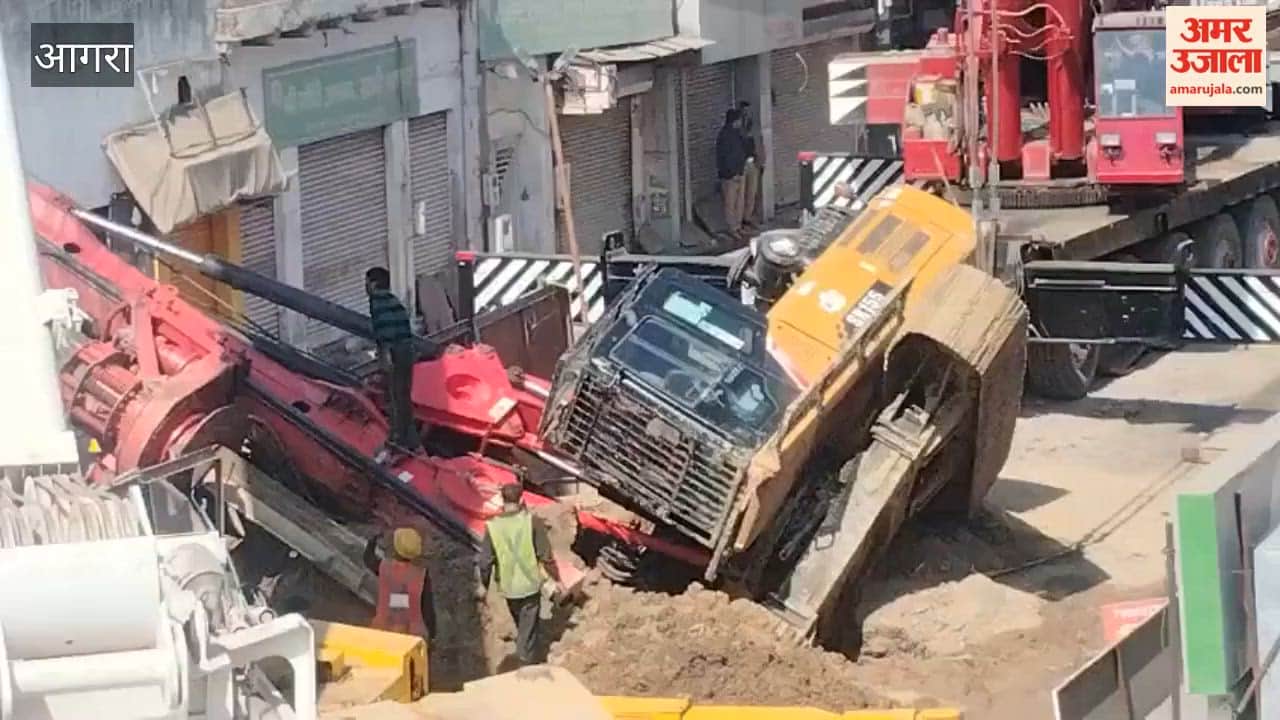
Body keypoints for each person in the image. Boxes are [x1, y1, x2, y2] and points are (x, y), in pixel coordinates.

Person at [475, 482, 560, 667]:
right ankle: (525, 666)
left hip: (508, 587)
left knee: (523, 626)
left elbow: (485, 561)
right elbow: (546, 556)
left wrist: (483, 584)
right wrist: (557, 579)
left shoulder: (492, 526)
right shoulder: (532, 521)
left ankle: (526, 655)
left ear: (502, 500)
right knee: (527, 631)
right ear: (522, 500)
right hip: (530, 586)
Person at [365, 267, 421, 456]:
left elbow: (384, 331)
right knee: (404, 397)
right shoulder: (394, 301)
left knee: (395, 398)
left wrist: (385, 356)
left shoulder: (377, 301)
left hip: (396, 351)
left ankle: (396, 441)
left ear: (373, 284)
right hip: (407, 351)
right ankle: (411, 440)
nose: (365, 287)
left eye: (367, 282)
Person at [365, 527, 437, 642]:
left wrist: (373, 540)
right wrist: (432, 634)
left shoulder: (384, 568)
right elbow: (427, 607)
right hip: (412, 636)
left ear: (395, 549)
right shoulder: (421, 575)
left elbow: (368, 559)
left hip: (383, 631)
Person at [716, 108, 749, 240]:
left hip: (739, 172)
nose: (741, 122)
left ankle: (738, 226)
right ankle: (732, 228)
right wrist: (731, 173)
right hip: (730, 175)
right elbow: (724, 157)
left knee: (739, 201)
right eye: (739, 120)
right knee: (730, 203)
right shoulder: (725, 135)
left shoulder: (737, 134)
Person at [738, 101, 761, 228]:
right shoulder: (738, 125)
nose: (746, 113)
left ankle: (747, 216)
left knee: (752, 191)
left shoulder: (751, 124)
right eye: (744, 110)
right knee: (741, 194)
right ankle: (740, 219)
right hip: (742, 162)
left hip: (752, 161)